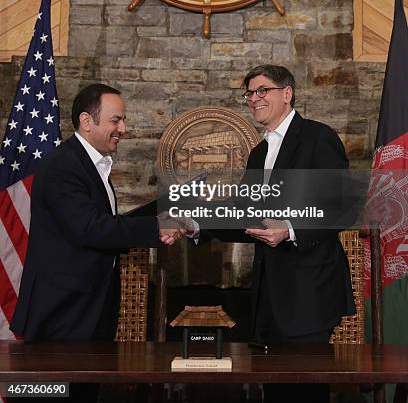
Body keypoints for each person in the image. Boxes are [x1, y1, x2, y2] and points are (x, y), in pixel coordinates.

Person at [187, 65, 356, 403]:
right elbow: (242, 212)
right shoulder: (259, 152)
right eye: (249, 93)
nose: (254, 98)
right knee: (276, 389)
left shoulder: (317, 137)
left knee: (305, 392)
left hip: (310, 291)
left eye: (262, 90)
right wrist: (194, 224)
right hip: (270, 294)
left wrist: (291, 230)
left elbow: (343, 207)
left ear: (287, 93)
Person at [10, 84, 181, 402]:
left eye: (123, 120)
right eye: (116, 120)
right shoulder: (63, 164)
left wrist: (159, 213)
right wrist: (157, 227)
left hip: (89, 313)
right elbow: (90, 229)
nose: (124, 129)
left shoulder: (91, 164)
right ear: (87, 121)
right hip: (61, 318)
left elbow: (104, 226)